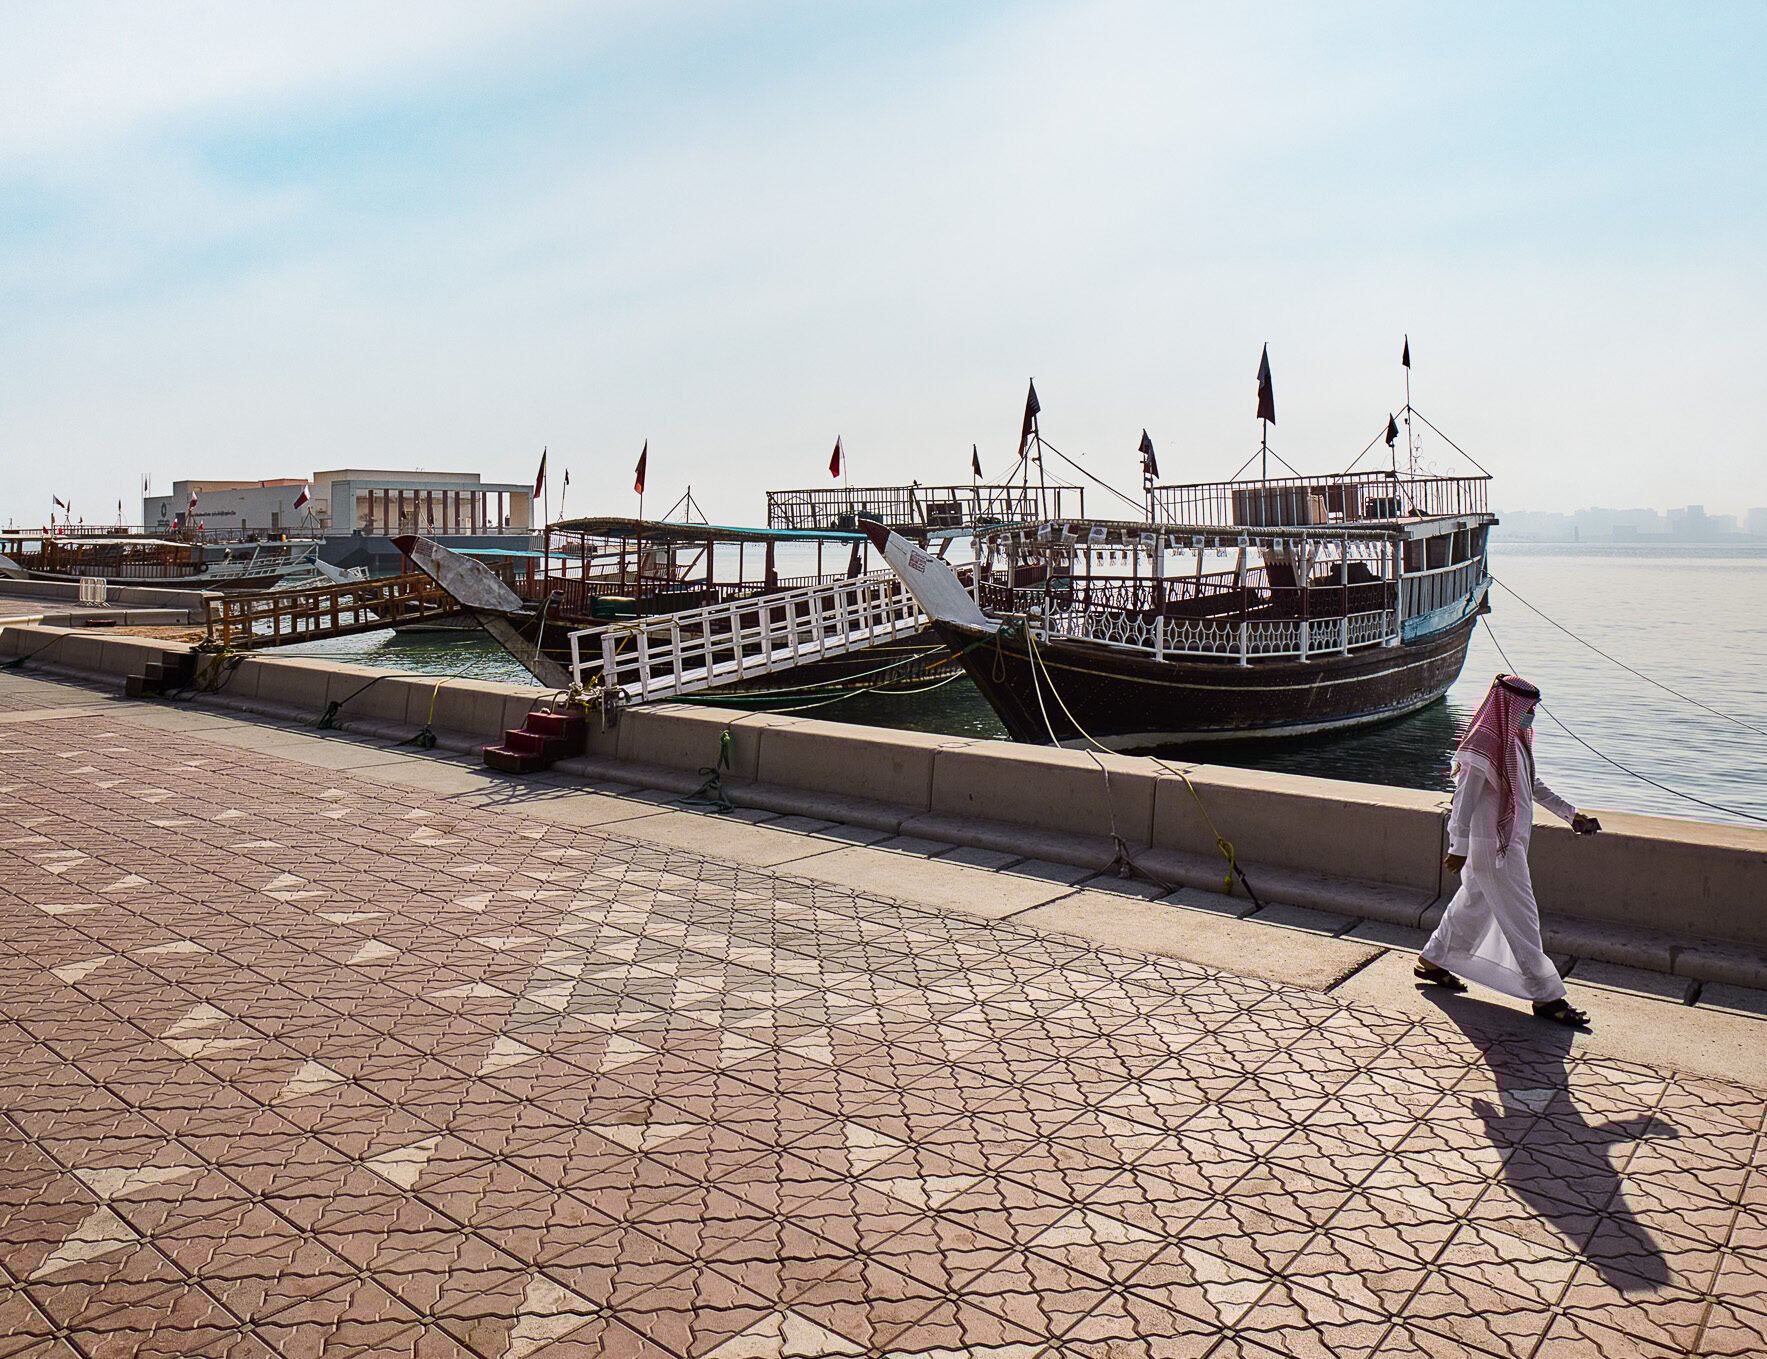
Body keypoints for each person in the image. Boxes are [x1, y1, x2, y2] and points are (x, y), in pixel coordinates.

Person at [1415, 674, 1602, 1027]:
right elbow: (1463, 800)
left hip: (1506, 842)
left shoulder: (1513, 739)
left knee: (1473, 904)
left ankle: (1434, 960)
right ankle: (1547, 996)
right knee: (1522, 918)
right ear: (1510, 705)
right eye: (1528, 708)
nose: (1531, 715)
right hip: (1492, 848)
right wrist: (1458, 845)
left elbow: (1531, 785)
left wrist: (1571, 814)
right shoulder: (1484, 743)